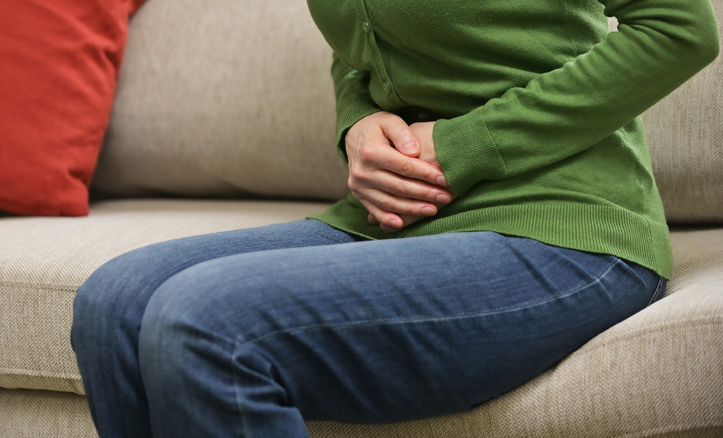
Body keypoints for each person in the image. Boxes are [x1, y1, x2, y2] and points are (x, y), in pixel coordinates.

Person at [70, 0, 719, 436]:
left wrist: (470, 144)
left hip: (563, 223)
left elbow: (680, 29)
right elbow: (364, 42)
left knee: (205, 321)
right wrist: (357, 122)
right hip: (401, 214)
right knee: (115, 302)